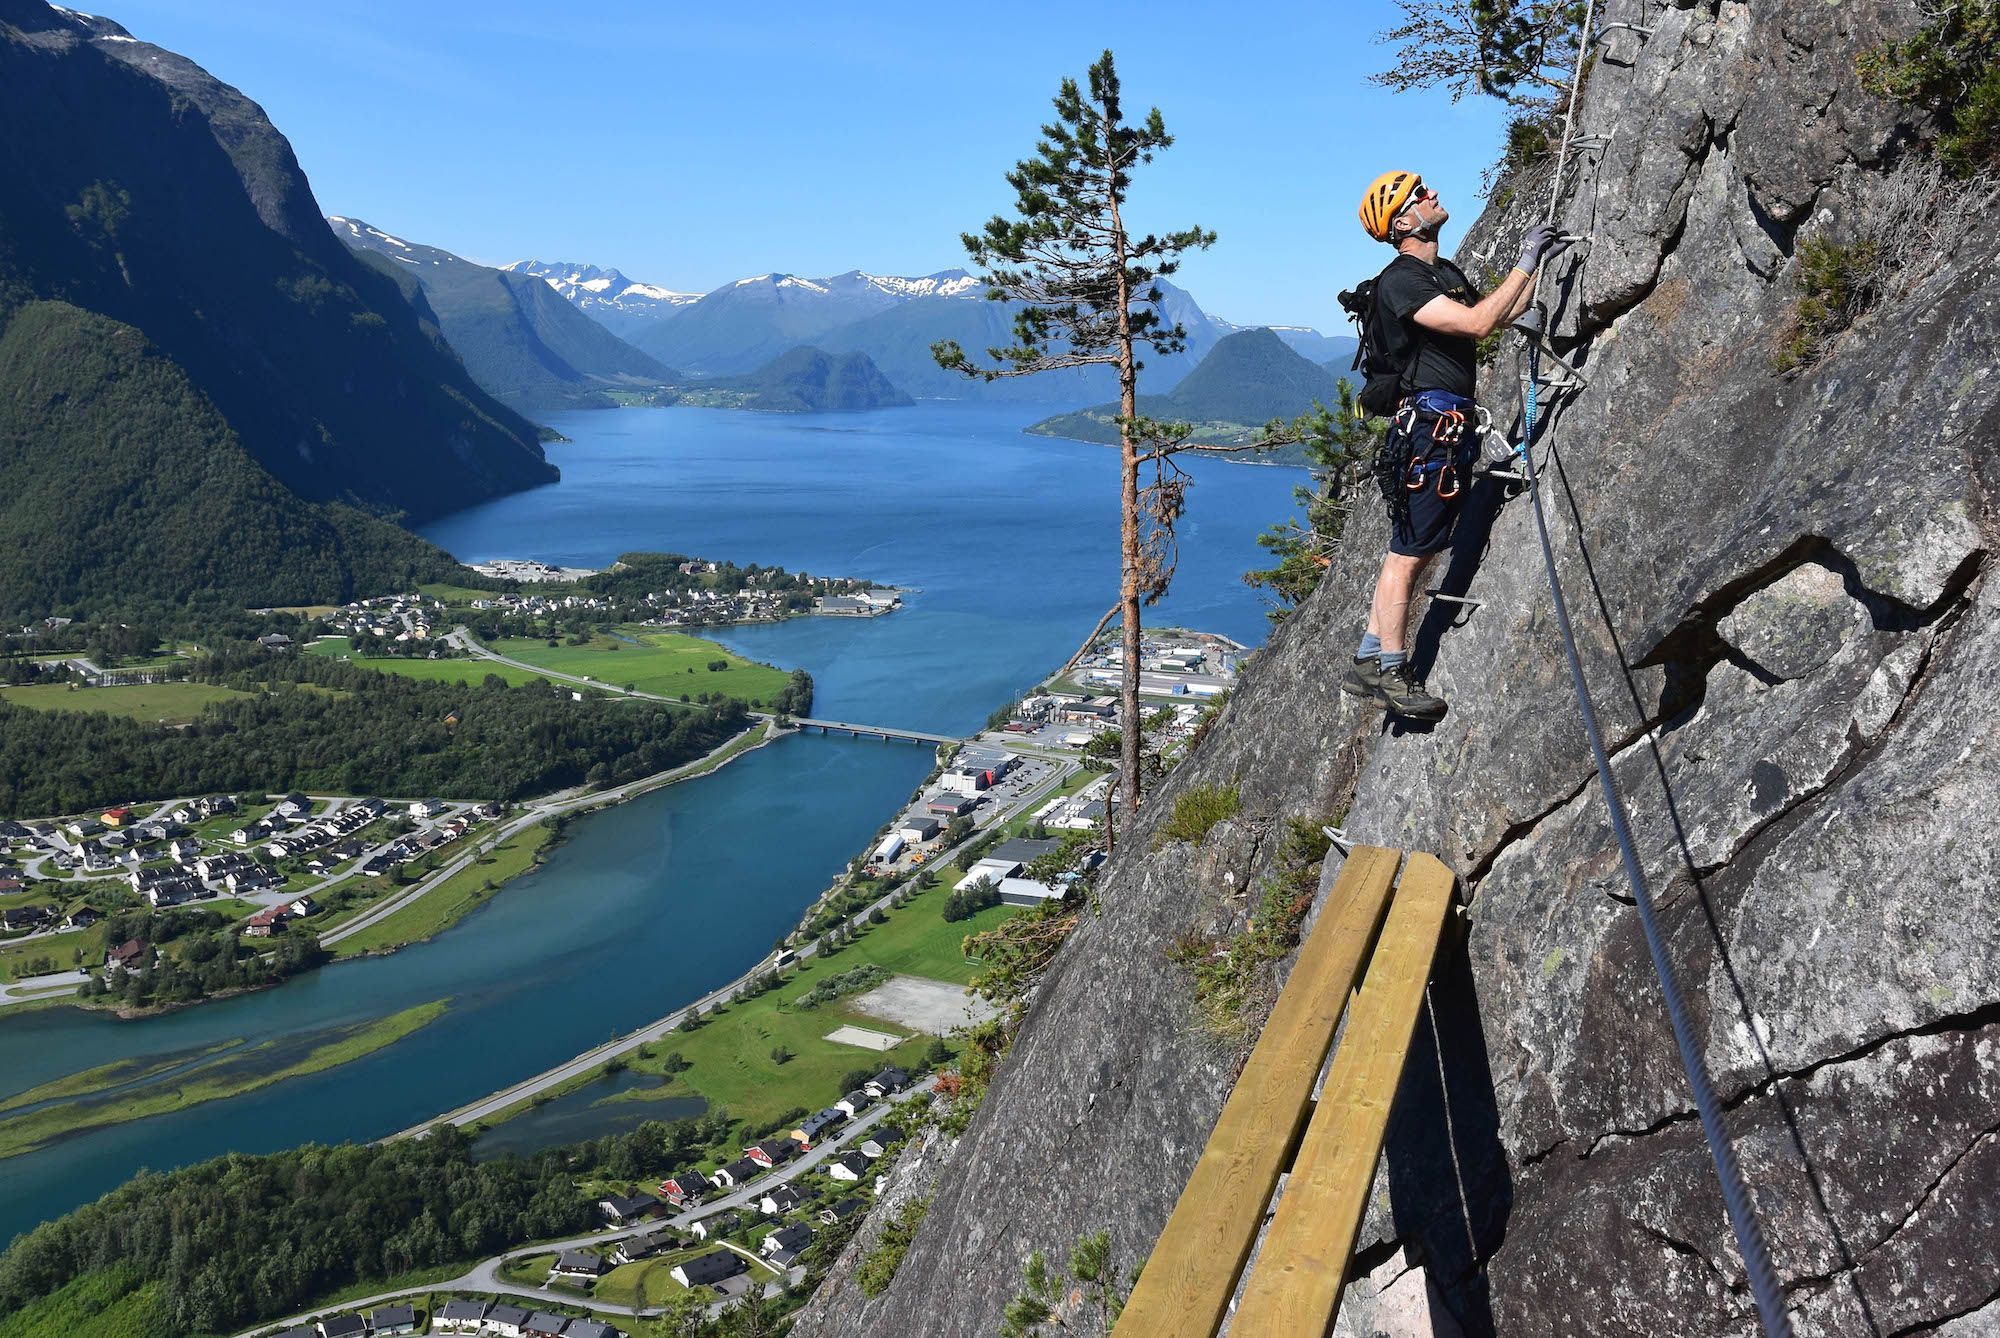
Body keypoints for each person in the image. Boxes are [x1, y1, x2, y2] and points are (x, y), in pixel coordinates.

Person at [1341, 170, 1571, 721]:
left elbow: (1493, 312)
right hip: (1428, 432)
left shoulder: (1440, 272)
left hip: (1444, 428)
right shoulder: (1402, 281)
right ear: (1403, 222)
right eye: (1420, 196)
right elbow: (1474, 323)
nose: (1433, 195)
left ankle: (1370, 658)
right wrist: (1527, 258)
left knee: (1413, 546)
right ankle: (1393, 671)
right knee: (1411, 551)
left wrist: (1529, 291)